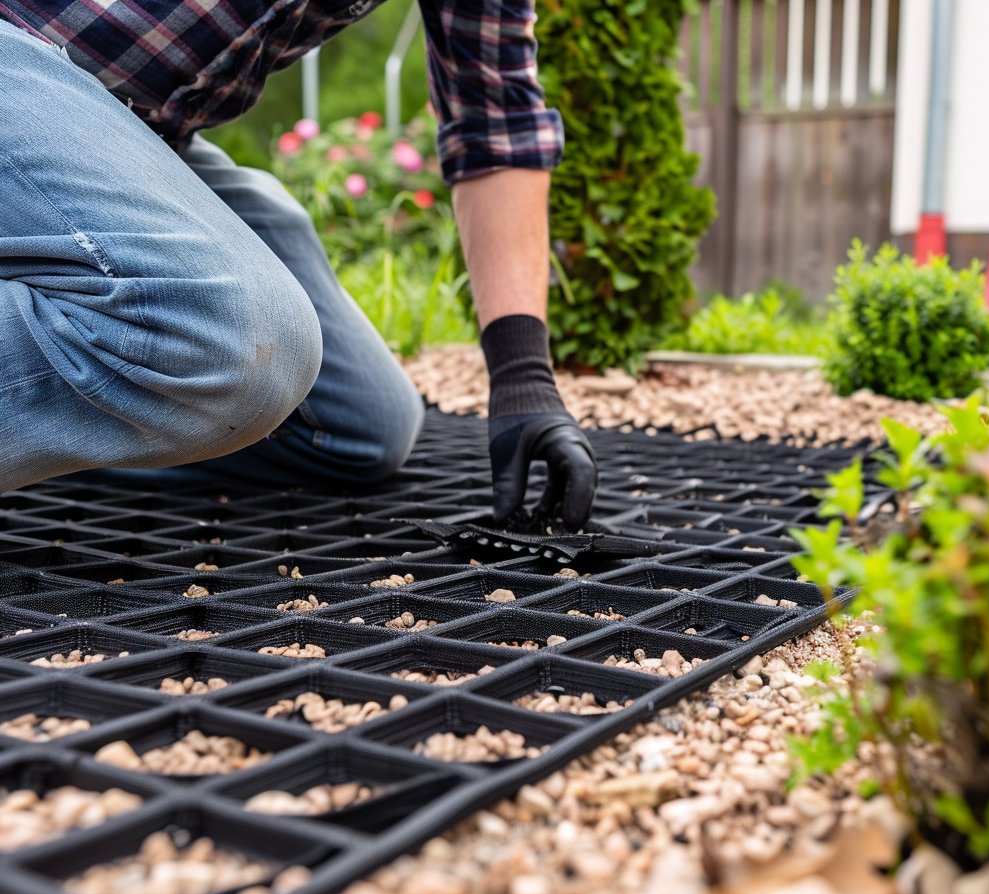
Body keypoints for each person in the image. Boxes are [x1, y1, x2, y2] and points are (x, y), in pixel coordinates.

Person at [0, 0, 598, 530]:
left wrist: (524, 382)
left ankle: (46, 445)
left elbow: (497, 124)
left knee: (355, 429)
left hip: (131, 125)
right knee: (224, 335)